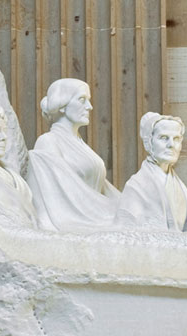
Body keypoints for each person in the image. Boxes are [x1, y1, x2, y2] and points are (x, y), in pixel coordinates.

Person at [26, 78, 120, 231]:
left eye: (88, 100)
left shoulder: (81, 144)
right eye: (82, 100)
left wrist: (128, 205)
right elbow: (52, 199)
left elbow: (104, 188)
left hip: (96, 216)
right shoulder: (48, 142)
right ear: (62, 106)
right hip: (76, 222)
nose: (89, 107)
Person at [116, 112, 187, 232]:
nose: (171, 145)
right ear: (149, 142)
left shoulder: (180, 186)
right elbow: (126, 231)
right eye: (163, 138)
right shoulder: (136, 187)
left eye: (176, 139)